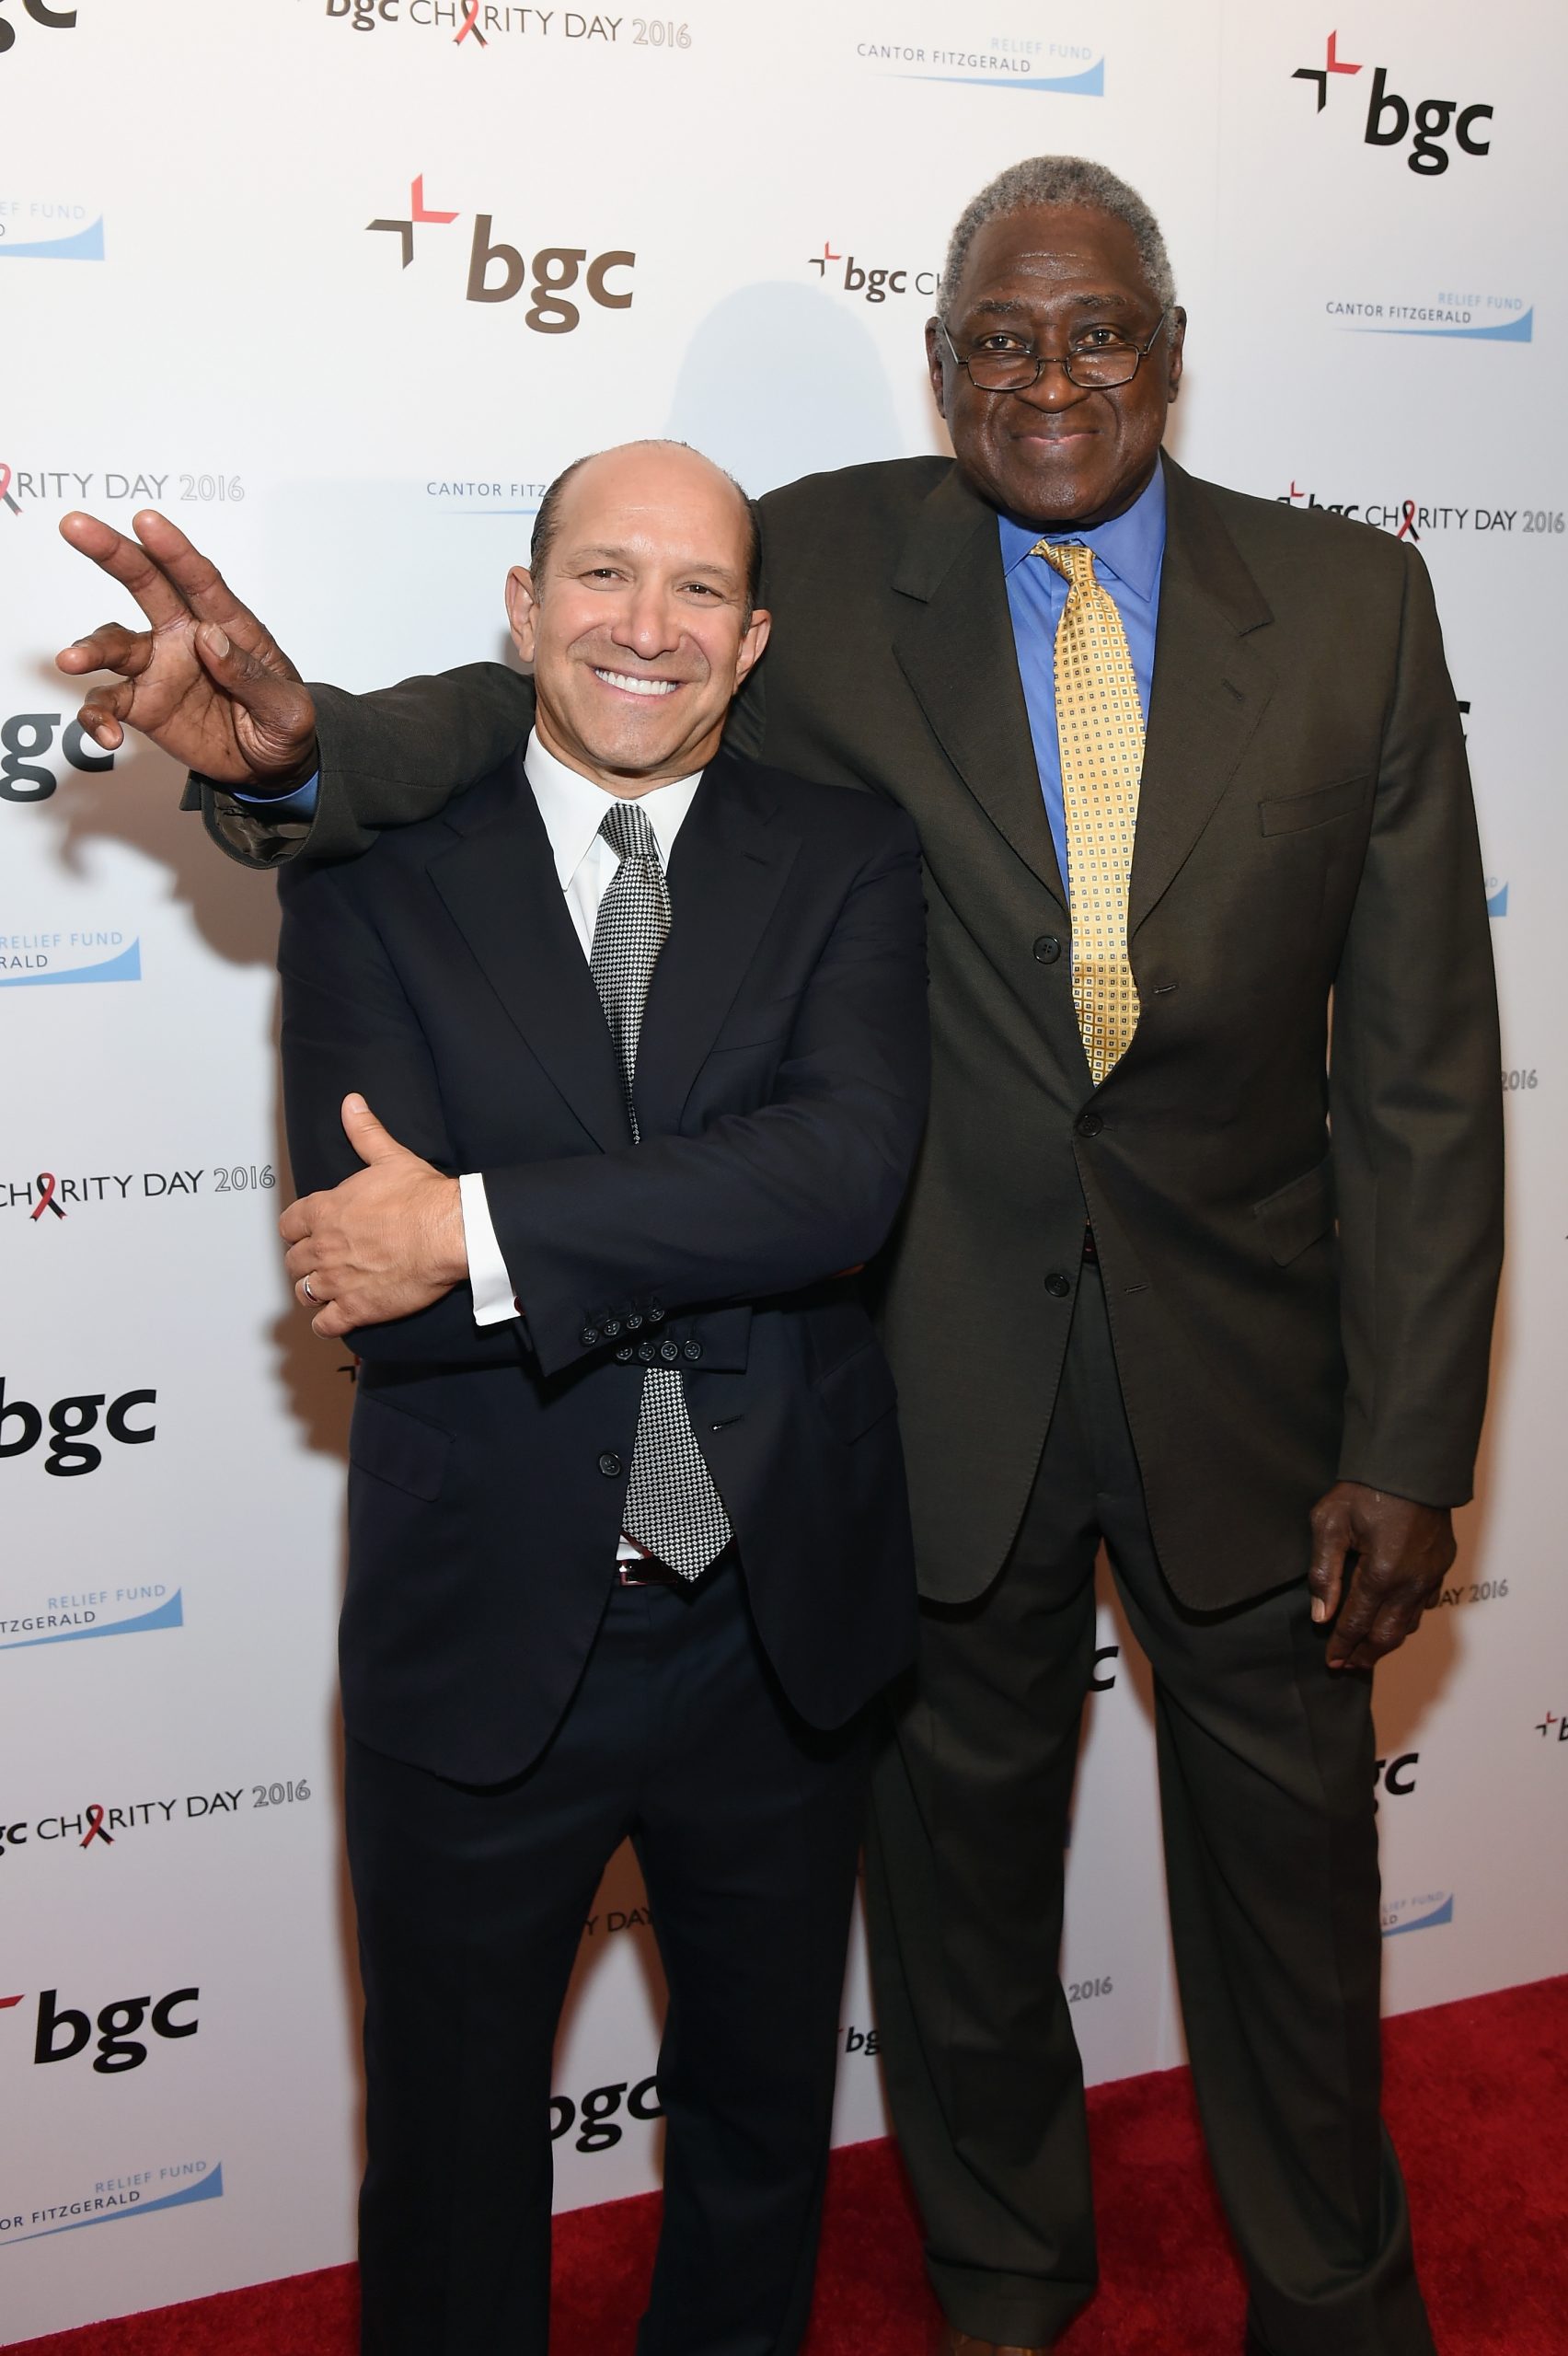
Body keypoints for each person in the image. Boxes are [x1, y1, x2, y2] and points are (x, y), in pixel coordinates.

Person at [59, 156, 1502, 2356]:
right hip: (933, 1389)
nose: (1049, 378)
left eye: (1097, 331)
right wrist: (311, 746)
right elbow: (563, 691)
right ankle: (1003, 2285)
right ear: (939, 365)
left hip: (1257, 1395)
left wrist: (1412, 1439)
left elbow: (1423, 1067)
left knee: (1297, 1899)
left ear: (1171, 352)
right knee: (956, 1914)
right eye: (999, 337)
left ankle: (1340, 2301)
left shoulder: (1354, 605)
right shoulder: (814, 555)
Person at [59, 440, 930, 2355]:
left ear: (753, 639)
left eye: (699, 590)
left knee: (764, 2121)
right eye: (603, 575)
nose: (648, 626)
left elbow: (844, 1183)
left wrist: (478, 1220)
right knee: (451, 2158)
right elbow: (369, 1280)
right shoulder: (374, 872)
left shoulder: (850, 861)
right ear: (524, 608)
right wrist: (614, 1221)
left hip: (779, 1613)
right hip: (488, 1613)